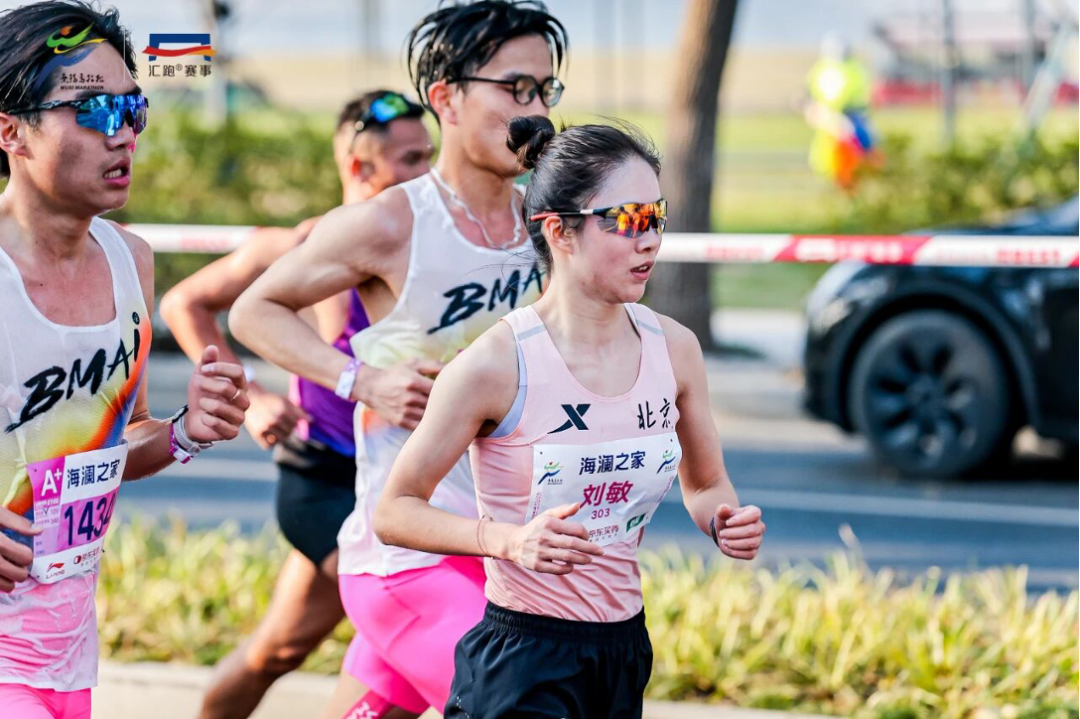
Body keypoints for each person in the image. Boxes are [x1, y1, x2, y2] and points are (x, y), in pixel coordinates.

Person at [229, 2, 568, 717]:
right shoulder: (393, 222)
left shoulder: (543, 223)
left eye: (544, 90)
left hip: (503, 550)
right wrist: (362, 379)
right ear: (447, 98)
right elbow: (253, 309)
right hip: (409, 556)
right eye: (515, 88)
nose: (535, 111)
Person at [374, 116, 767, 718]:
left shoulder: (675, 349)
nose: (649, 240)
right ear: (559, 230)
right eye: (628, 220)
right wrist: (507, 541)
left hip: (623, 651)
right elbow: (394, 510)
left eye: (656, 217)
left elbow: (707, 483)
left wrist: (723, 521)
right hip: (523, 658)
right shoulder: (495, 365)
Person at [0, 3, 248, 718]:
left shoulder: (130, 260)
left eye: (133, 108)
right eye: (95, 111)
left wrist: (186, 430)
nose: (125, 134)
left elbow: (117, 442)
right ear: (11, 131)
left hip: (67, 653)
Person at [159, 90, 432, 719]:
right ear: (359, 168)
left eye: (430, 157)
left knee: (276, 651)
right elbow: (183, 303)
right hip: (325, 481)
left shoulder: (433, 254)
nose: (428, 175)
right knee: (411, 624)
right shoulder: (303, 248)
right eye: (412, 161)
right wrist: (249, 395)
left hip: (400, 484)